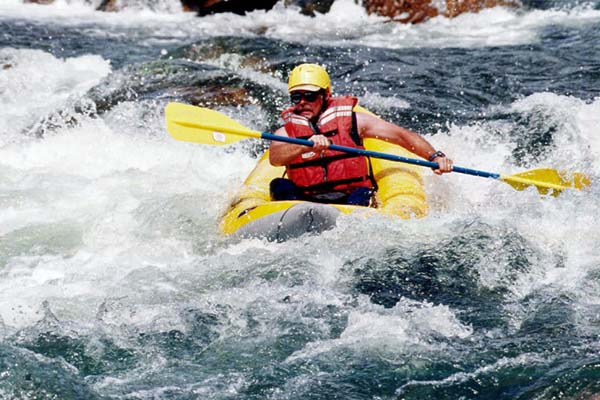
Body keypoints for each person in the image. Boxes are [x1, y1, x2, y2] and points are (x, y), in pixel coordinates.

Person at [269, 63, 453, 206]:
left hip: (350, 196)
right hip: (305, 199)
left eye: (309, 96)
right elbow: (275, 158)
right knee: (279, 184)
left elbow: (401, 136)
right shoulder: (286, 131)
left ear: (325, 95)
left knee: (363, 194)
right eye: (296, 97)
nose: (302, 102)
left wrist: (435, 156)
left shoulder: (356, 122)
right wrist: (304, 145)